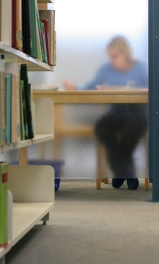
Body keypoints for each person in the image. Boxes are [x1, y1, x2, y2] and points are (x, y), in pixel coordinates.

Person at [63, 35, 148, 190]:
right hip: (116, 111)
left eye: (115, 56)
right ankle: (126, 171)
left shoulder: (141, 68)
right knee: (102, 127)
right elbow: (90, 87)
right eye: (110, 56)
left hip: (137, 111)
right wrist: (75, 87)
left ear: (126, 54)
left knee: (132, 129)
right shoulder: (106, 70)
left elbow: (152, 89)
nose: (112, 60)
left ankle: (121, 172)